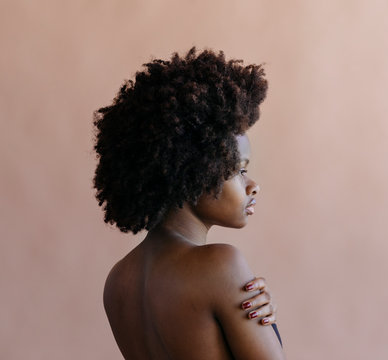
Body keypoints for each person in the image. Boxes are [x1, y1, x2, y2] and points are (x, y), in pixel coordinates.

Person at [93, 48, 285, 359]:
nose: (252, 185)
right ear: (196, 171)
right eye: (239, 170)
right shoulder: (221, 265)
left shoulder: (118, 281)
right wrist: (268, 327)